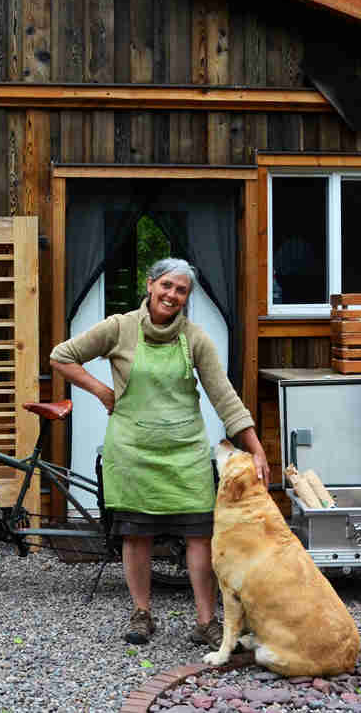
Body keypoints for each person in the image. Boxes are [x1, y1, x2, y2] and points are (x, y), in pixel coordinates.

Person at [49, 258, 270, 648]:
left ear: (186, 298)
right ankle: (141, 613)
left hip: (186, 453)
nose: (171, 295)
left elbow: (225, 398)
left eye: (180, 290)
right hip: (133, 452)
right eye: (166, 285)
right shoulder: (119, 328)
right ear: (150, 285)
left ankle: (206, 622)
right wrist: (101, 391)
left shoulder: (196, 339)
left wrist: (256, 449)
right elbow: (61, 356)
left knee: (200, 535)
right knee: (137, 536)